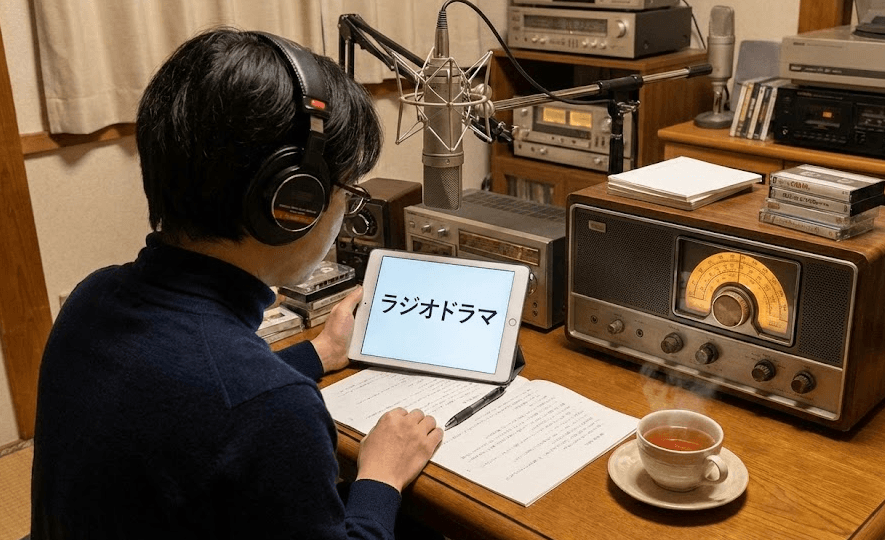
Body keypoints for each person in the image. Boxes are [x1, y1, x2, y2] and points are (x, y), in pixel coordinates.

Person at [31, 27, 443, 540]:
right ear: (295, 202)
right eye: (347, 193)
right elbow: (242, 405)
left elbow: (185, 398)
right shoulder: (274, 409)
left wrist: (316, 354)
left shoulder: (92, 299)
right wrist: (382, 475)